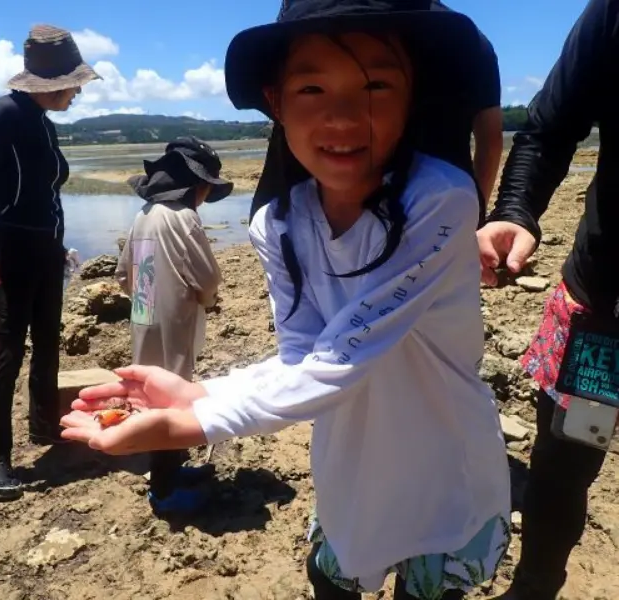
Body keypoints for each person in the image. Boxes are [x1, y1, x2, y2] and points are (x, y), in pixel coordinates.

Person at [60, 1, 512, 598]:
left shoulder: (440, 201)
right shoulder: (276, 224)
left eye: (376, 84)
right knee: (330, 579)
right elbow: (308, 357)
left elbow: (345, 358)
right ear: (276, 101)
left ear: (412, 96)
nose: (345, 115)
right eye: (313, 87)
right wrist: (205, 392)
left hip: (442, 459)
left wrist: (192, 420)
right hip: (352, 460)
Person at [477, 1, 619, 597]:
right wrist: (516, 210)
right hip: (602, 309)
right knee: (562, 469)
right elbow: (551, 127)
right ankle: (535, 585)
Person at [0, 24, 101, 501]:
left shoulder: (41, 123)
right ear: (51, 81)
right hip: (10, 253)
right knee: (9, 351)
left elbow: (44, 198)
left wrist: (59, 246)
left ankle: (45, 427)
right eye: (74, 83)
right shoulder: (3, 114)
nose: (78, 91)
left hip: (44, 251)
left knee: (49, 343)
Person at [249, 0, 503, 225]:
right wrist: (473, 221)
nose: (342, 120)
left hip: (312, 188)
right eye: (313, 89)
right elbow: (490, 139)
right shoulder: (462, 39)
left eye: (375, 86)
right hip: (433, 193)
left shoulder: (303, 15)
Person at [115, 136, 231, 515]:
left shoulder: (144, 215)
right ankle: (165, 491)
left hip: (143, 320)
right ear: (197, 187)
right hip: (174, 325)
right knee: (172, 401)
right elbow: (207, 279)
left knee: (149, 398)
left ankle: (170, 474)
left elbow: (123, 275)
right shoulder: (184, 219)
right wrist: (206, 301)